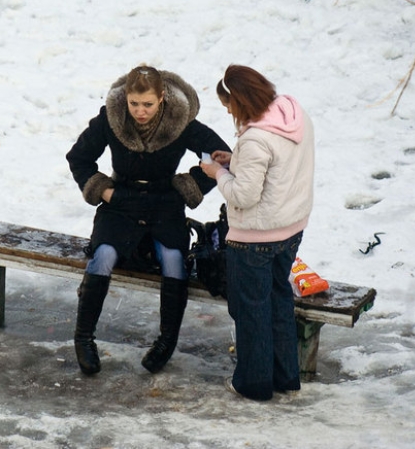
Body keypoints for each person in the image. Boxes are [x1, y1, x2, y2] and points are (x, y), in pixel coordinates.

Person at [66, 65, 231, 375]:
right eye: (134, 103)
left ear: (162, 98)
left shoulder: (180, 119)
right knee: (104, 255)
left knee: (173, 259)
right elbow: (79, 157)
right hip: (121, 203)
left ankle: (166, 342)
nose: (140, 111)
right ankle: (83, 338)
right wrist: (105, 192)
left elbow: (223, 156)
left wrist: (185, 188)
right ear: (126, 99)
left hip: (163, 204)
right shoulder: (112, 117)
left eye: (148, 104)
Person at [200, 64, 315, 401]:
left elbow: (243, 196)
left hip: (256, 239)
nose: (229, 113)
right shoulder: (293, 114)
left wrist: (217, 173)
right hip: (291, 230)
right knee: (279, 302)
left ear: (240, 101)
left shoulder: (255, 139)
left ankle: (254, 384)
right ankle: (285, 377)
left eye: (229, 106)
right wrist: (234, 160)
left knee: (251, 311)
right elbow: (277, 166)